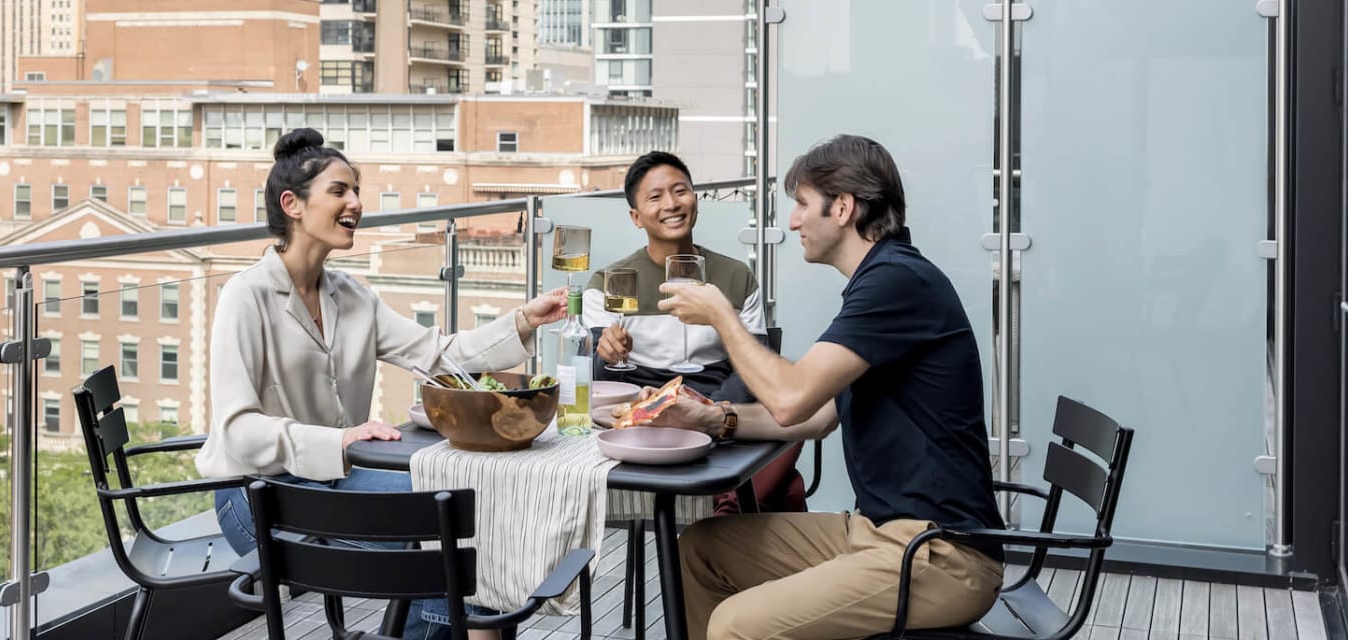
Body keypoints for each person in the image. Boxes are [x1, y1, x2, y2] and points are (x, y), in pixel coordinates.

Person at [198, 127, 569, 640]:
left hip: (337, 482)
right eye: (339, 191)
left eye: (356, 190)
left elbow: (437, 355)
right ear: (293, 204)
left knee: (461, 516)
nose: (356, 202)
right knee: (435, 542)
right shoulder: (245, 297)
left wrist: (523, 321)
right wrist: (342, 439)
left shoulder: (353, 296)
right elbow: (237, 430)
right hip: (258, 494)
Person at [636, 134, 1006, 639]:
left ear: (844, 208)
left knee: (736, 626)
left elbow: (791, 400)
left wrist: (722, 315)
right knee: (699, 550)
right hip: (878, 532)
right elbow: (819, 414)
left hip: (941, 553)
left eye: (802, 204)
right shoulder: (878, 280)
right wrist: (715, 418)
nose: (792, 221)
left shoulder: (897, 283)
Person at [583, 150, 806, 515]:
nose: (671, 204)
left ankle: (729, 510)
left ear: (696, 200)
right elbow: (600, 378)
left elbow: (753, 364)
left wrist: (710, 412)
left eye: (680, 191)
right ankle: (745, 504)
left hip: (720, 395)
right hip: (645, 402)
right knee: (790, 488)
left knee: (796, 401)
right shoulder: (610, 282)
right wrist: (606, 355)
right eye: (655, 197)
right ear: (636, 217)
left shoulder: (737, 277)